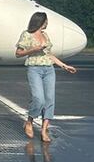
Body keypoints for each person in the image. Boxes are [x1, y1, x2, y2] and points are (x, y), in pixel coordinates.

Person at [15, 12, 78, 142]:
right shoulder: (27, 34)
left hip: (49, 69)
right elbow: (18, 53)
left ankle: (44, 131)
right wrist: (34, 49)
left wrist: (64, 65)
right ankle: (29, 121)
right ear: (39, 21)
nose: (47, 23)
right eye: (45, 21)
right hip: (34, 68)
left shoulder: (45, 35)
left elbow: (49, 55)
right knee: (39, 99)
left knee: (50, 100)